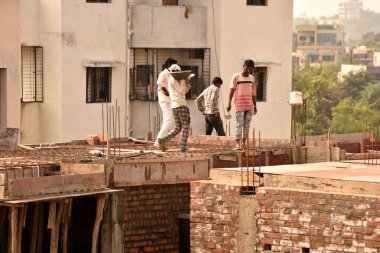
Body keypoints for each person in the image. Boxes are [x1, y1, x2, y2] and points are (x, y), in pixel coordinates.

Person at [157, 64, 192, 152]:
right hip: (181, 105)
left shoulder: (172, 80)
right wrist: (185, 82)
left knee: (178, 128)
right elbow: (181, 92)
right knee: (186, 127)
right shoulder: (176, 80)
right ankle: (183, 147)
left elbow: (182, 92)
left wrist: (187, 86)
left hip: (175, 106)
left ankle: (162, 140)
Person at [226, 59, 257, 149]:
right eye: (247, 68)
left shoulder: (252, 78)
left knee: (247, 125)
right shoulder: (236, 77)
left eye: (250, 69)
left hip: (250, 105)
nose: (248, 70)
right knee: (239, 124)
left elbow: (253, 93)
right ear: (243, 66)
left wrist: (255, 106)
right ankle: (237, 144)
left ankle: (244, 144)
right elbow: (231, 91)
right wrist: (229, 103)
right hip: (239, 105)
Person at [154, 57, 177, 147]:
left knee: (171, 120)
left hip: (170, 100)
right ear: (168, 65)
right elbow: (160, 84)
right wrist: (168, 93)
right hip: (165, 100)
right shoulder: (163, 74)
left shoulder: (172, 74)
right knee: (168, 120)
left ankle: (162, 139)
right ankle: (159, 141)